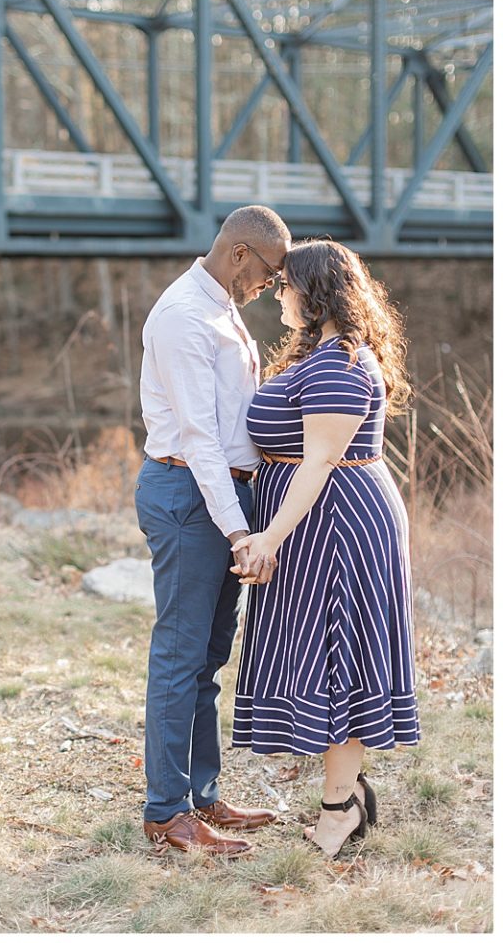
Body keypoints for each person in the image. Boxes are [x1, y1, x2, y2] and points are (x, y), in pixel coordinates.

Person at [230, 239, 420, 857]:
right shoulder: (313, 356)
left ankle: (339, 807)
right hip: (314, 521)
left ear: (313, 292)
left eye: (284, 285)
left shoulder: (339, 363)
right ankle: (350, 789)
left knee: (339, 663)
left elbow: (318, 463)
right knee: (324, 657)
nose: (277, 294)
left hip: (337, 527)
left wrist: (266, 539)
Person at [133, 205, 290, 856]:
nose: (274, 286)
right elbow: (199, 437)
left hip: (223, 496)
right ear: (239, 254)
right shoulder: (182, 317)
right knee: (179, 652)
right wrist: (237, 532)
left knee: (208, 656)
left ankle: (202, 793)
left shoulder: (223, 308)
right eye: (270, 272)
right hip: (189, 495)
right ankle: (165, 811)